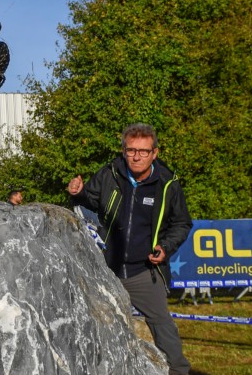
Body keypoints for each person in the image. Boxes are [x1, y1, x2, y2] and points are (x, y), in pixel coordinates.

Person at [67, 123, 192, 375]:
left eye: (143, 151)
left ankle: (178, 371)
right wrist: (78, 193)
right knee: (93, 323)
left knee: (163, 326)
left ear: (154, 153)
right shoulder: (109, 173)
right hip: (104, 269)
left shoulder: (168, 184)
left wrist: (165, 248)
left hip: (144, 270)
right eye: (131, 150)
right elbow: (89, 202)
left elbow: (181, 223)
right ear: (124, 151)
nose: (136, 156)